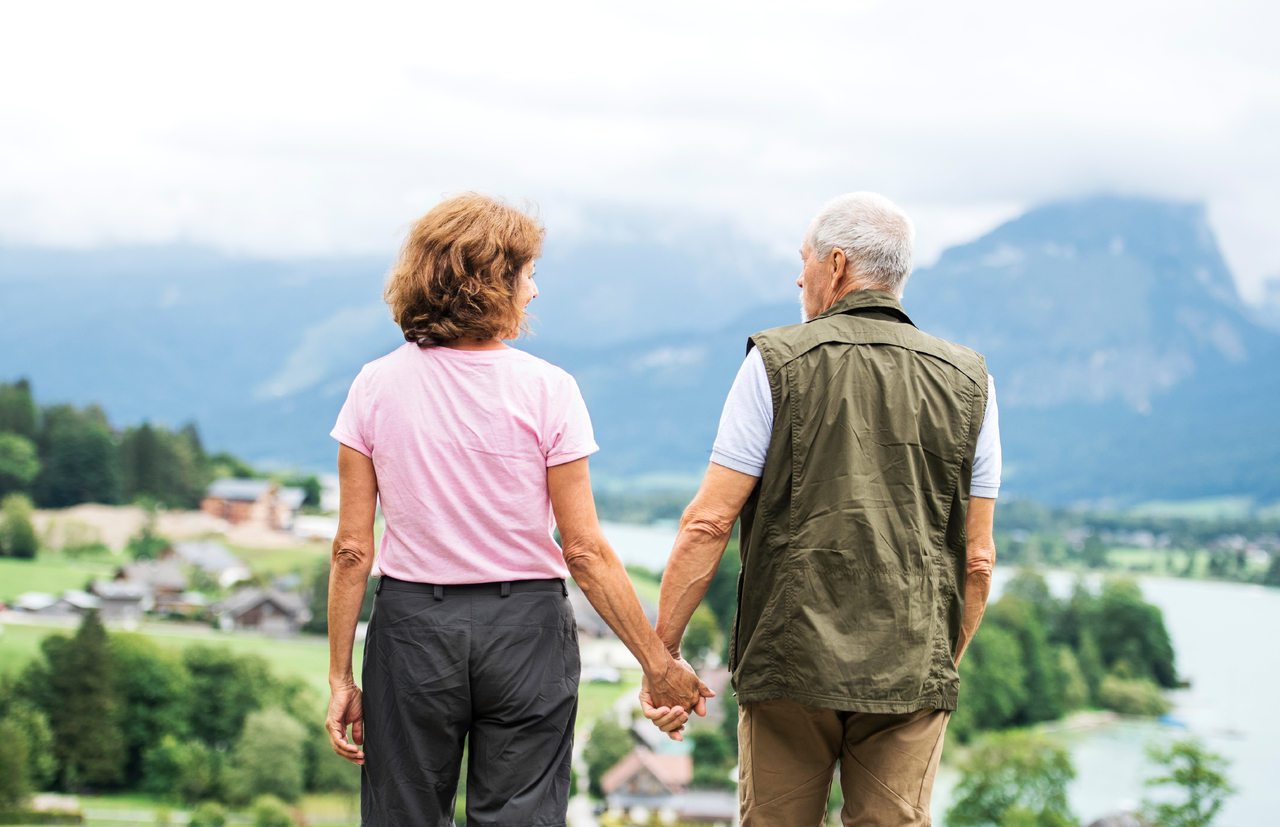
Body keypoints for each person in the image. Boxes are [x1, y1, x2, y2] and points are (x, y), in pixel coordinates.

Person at [324, 193, 710, 827]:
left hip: (413, 630)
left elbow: (351, 551)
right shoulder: (549, 389)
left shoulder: (373, 385)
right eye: (528, 273)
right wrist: (657, 664)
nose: (535, 289)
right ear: (493, 281)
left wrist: (341, 678)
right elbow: (583, 550)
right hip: (527, 631)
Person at [645, 192, 1001, 826]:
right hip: (909, 667)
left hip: (789, 663)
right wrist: (935, 667)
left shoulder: (775, 362)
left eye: (804, 260)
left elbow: (707, 522)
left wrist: (662, 657)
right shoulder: (973, 382)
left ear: (835, 265)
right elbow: (977, 560)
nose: (798, 277)